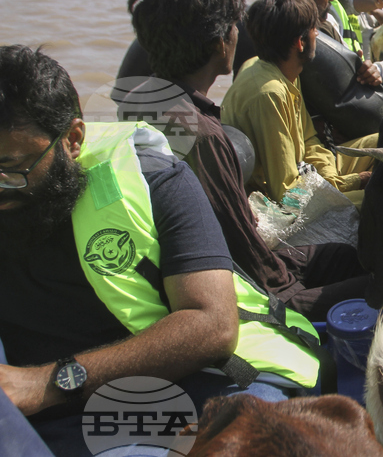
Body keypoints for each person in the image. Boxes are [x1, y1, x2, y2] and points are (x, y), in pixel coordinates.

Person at [0, 46, 320, 456]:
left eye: (14, 169)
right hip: (43, 409)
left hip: (179, 384)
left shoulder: (155, 182)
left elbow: (212, 325)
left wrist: (50, 382)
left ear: (72, 140)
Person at [125, 0, 369, 320]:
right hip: (253, 289)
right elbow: (249, 259)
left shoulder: (140, 99)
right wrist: (290, 284)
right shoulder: (205, 137)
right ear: (221, 42)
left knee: (344, 257)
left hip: (220, 260)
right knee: (381, 279)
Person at [221, 0, 378, 208]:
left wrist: (336, 182)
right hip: (281, 204)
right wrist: (356, 181)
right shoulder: (269, 94)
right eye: (315, 30)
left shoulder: (283, 69)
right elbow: (287, 192)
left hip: (307, 173)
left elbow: (308, 141)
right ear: (300, 42)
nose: (317, 35)